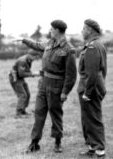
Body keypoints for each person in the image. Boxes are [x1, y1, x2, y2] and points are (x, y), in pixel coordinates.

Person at [19, 20, 77, 153]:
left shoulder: (69, 49)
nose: (50, 31)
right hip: (43, 84)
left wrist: (65, 92)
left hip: (56, 87)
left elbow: (71, 75)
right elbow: (37, 45)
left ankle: (58, 141)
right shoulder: (49, 44)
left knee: (56, 114)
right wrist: (23, 40)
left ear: (57, 30)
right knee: (39, 112)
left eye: (51, 29)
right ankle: (34, 142)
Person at [77, 19, 107, 158]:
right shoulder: (95, 45)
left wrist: (88, 92)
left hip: (90, 87)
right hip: (92, 85)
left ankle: (100, 150)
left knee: (93, 118)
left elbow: (93, 72)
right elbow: (103, 70)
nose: (82, 31)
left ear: (90, 30)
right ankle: (91, 148)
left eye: (83, 29)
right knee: (87, 118)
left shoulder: (93, 46)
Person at [10, 49, 40, 118]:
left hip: (19, 78)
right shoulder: (23, 61)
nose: (36, 59)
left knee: (27, 94)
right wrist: (33, 74)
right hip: (15, 78)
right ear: (30, 55)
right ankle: (18, 113)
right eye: (35, 57)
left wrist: (34, 73)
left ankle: (23, 111)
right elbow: (21, 74)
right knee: (22, 95)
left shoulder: (29, 60)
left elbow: (27, 71)